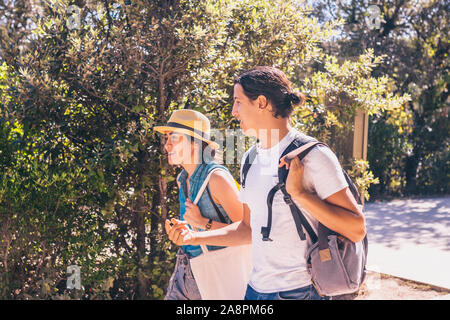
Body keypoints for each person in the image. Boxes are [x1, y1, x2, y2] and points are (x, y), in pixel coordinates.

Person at [166, 66, 366, 300]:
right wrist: (194, 237)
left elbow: (356, 228)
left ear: (261, 102)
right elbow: (246, 230)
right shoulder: (250, 159)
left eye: (238, 102)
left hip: (301, 291)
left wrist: (300, 194)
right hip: (255, 290)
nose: (234, 111)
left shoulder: (313, 155)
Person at [153, 109, 248, 300]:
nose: (167, 145)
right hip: (186, 272)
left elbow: (247, 233)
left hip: (215, 276)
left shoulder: (217, 178)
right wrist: (183, 234)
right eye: (166, 138)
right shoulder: (183, 179)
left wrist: (204, 224)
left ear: (195, 143)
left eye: (174, 137)